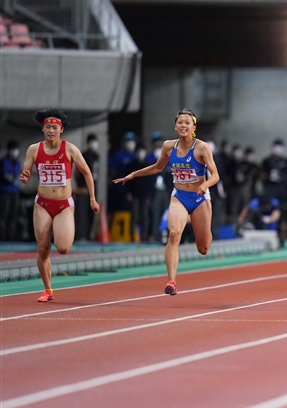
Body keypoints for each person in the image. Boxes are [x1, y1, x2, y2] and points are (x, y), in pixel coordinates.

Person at [113, 109, 219, 296]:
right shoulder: (168, 146)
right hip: (179, 196)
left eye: (187, 122)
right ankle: (171, 281)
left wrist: (205, 185)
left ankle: (205, 228)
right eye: (180, 122)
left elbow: (215, 175)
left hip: (200, 197)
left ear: (193, 127)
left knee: (203, 248)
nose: (183, 125)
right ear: (175, 126)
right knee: (173, 234)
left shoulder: (201, 147)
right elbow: (157, 167)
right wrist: (133, 175)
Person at [19, 109, 100, 302]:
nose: (51, 131)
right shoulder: (34, 149)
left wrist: (92, 198)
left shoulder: (70, 149)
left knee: (63, 248)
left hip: (63, 204)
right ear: (43, 129)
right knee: (42, 249)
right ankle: (48, 289)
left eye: (55, 127)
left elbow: (87, 173)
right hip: (43, 204)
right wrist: (25, 176)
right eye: (48, 127)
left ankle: (50, 284)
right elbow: (26, 171)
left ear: (61, 130)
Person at [73, 134, 100, 241]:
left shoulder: (97, 156)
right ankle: (81, 234)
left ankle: (89, 234)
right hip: (84, 188)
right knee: (82, 212)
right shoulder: (83, 155)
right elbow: (77, 173)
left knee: (92, 212)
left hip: (94, 187)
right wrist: (81, 186)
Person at [0, 140, 23, 241]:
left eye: (16, 150)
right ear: (9, 150)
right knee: (3, 215)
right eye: (13, 149)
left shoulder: (18, 163)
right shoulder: (3, 161)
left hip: (15, 192)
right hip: (5, 191)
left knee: (13, 216)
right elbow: (4, 176)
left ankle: (11, 238)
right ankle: (2, 237)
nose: (15, 152)